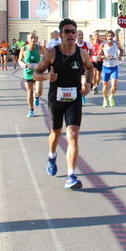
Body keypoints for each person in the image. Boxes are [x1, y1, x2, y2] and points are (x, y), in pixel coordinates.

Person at [34, 19, 94, 189]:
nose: (70, 34)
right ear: (60, 35)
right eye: (66, 31)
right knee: (55, 133)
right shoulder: (52, 53)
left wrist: (88, 84)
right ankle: (52, 156)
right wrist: (47, 77)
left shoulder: (82, 54)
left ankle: (71, 175)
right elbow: (35, 74)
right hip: (56, 99)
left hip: (74, 99)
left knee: (73, 135)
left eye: (73, 31)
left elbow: (90, 68)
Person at [19, 33, 45, 118]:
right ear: (28, 39)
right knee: (29, 92)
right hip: (28, 73)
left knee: (39, 91)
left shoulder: (40, 48)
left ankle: (37, 96)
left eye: (34, 38)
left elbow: (47, 57)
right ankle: (31, 110)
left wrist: (41, 64)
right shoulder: (24, 48)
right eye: (31, 38)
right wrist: (23, 65)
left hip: (37, 72)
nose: (33, 39)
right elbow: (20, 60)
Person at [99, 30, 124, 107]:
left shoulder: (116, 43)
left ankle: (111, 97)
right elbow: (99, 55)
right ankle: (105, 99)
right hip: (106, 67)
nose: (110, 37)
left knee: (114, 85)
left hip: (114, 67)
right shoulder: (103, 45)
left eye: (111, 36)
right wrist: (105, 57)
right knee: (105, 85)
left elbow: (122, 50)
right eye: (108, 36)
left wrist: (120, 56)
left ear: (113, 36)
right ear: (106, 37)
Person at [76, 30, 92, 104]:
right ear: (76, 36)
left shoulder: (87, 44)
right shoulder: (74, 45)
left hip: (84, 67)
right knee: (77, 83)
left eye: (82, 34)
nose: (81, 36)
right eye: (79, 35)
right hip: (76, 68)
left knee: (83, 82)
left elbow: (91, 51)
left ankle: (82, 95)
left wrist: (88, 59)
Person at [90, 30, 103, 94]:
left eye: (98, 34)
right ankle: (94, 86)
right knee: (94, 74)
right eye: (95, 34)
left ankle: (95, 86)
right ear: (93, 36)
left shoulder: (102, 43)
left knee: (98, 74)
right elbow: (88, 52)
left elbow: (104, 52)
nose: (97, 36)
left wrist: (101, 56)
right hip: (93, 60)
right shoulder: (91, 43)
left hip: (100, 60)